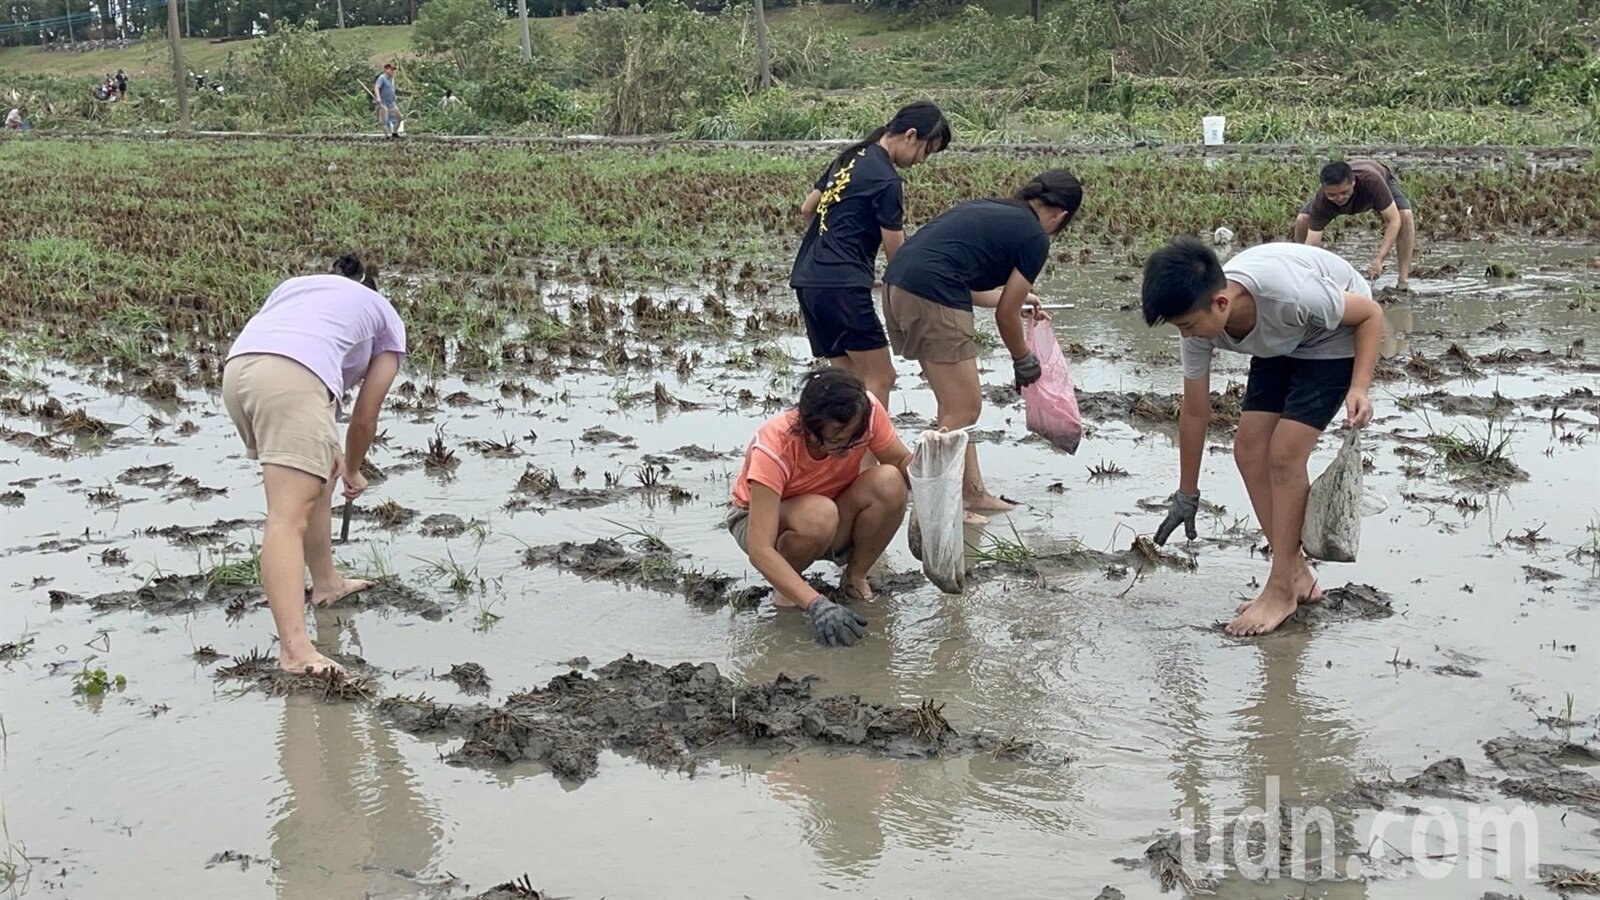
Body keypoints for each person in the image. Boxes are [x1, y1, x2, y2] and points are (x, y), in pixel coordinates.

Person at [1141, 237, 1382, 637]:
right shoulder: (1200, 328)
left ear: (1220, 304)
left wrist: (1360, 387)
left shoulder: (1291, 294)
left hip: (1331, 335)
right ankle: (1298, 576)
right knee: (1249, 448)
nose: (1186, 336)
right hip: (1281, 340)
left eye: (1187, 325)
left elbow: (1370, 314)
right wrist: (1187, 493)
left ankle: (1281, 588)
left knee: (1285, 453)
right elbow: (1196, 410)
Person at [223, 254, 406, 674]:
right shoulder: (385, 316)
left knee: (316, 479)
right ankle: (295, 651)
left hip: (239, 371)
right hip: (292, 378)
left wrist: (335, 453)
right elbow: (365, 416)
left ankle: (326, 584)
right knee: (287, 517)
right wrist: (356, 468)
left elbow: (302, 350)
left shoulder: (298, 287)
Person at [880, 168, 1081, 522]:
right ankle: (941, 505)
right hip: (932, 294)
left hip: (899, 288)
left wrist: (1022, 297)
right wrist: (1023, 359)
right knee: (964, 408)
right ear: (1062, 215)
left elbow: (963, 280)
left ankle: (971, 494)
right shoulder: (1035, 237)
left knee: (954, 406)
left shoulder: (994, 209)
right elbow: (1006, 314)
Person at [728, 369, 914, 647]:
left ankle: (855, 577)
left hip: (834, 507)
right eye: (838, 441)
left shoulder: (868, 411)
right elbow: (760, 549)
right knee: (818, 514)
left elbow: (901, 463)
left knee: (889, 481)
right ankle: (788, 592)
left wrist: (935, 459)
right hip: (761, 519)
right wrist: (817, 604)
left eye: (855, 440)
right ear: (809, 428)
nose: (849, 449)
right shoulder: (773, 446)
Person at [791, 101, 952, 405]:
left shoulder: (850, 157)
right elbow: (897, 257)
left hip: (808, 280)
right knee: (881, 377)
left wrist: (833, 242)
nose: (921, 161)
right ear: (910, 135)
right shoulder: (886, 180)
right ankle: (871, 454)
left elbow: (807, 208)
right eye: (925, 151)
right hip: (843, 285)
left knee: (848, 381)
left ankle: (847, 452)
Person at [1292, 160, 1415, 290]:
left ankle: (1403, 281)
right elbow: (1312, 244)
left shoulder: (1372, 182)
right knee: (1303, 219)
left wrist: (1379, 259)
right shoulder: (1322, 200)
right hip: (1338, 193)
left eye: (1344, 192)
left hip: (1378, 177)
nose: (1339, 198)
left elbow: (1393, 221)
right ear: (1324, 189)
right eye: (1332, 195)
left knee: (1405, 215)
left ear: (1353, 183)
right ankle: (1304, 272)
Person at [375, 63, 402, 138]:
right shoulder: (382, 78)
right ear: (386, 70)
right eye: (391, 70)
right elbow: (377, 87)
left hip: (392, 103)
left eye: (393, 70)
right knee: (383, 121)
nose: (392, 71)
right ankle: (387, 136)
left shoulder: (392, 79)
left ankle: (394, 132)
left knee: (399, 118)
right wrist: (378, 98)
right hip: (383, 103)